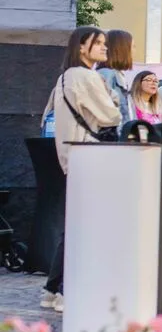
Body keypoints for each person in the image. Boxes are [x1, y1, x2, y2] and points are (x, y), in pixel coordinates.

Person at [40, 27, 122, 312]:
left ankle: (53, 288)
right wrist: (112, 99)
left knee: (74, 224)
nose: (103, 47)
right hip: (90, 155)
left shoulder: (66, 77)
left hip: (71, 155)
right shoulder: (87, 76)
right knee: (84, 227)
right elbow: (111, 115)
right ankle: (66, 291)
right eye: (97, 42)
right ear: (81, 46)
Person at [96, 29, 135, 124]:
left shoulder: (119, 75)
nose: (134, 51)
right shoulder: (106, 74)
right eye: (133, 46)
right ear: (122, 49)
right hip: (113, 136)